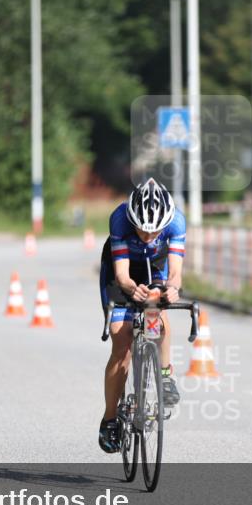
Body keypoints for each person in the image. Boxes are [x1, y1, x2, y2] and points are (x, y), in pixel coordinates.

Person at [98, 178, 186, 453]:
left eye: (154, 232)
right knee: (121, 339)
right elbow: (123, 276)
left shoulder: (176, 223)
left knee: (158, 314)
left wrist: (171, 290)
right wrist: (130, 290)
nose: (147, 237)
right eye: (142, 231)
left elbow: (175, 274)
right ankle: (110, 418)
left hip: (155, 267)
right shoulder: (121, 220)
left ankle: (165, 374)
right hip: (120, 270)